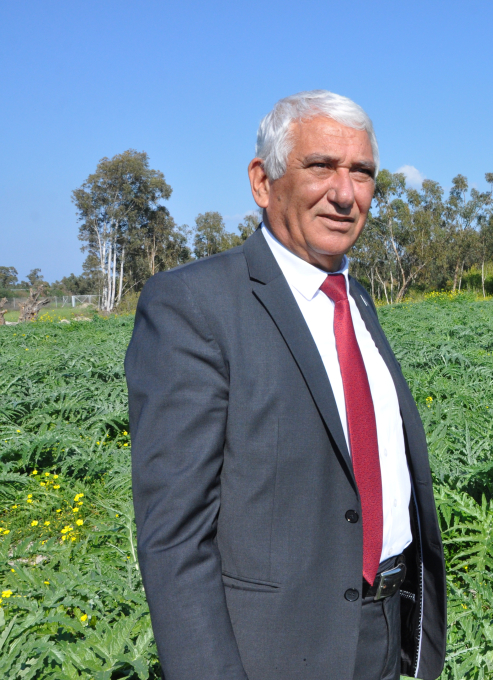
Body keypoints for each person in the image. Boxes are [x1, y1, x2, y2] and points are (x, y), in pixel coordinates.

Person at [126, 90, 446, 680]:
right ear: (262, 180)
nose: (345, 194)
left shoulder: (358, 303)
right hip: (272, 653)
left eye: (363, 173)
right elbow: (175, 539)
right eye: (321, 166)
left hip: (383, 635)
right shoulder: (194, 305)